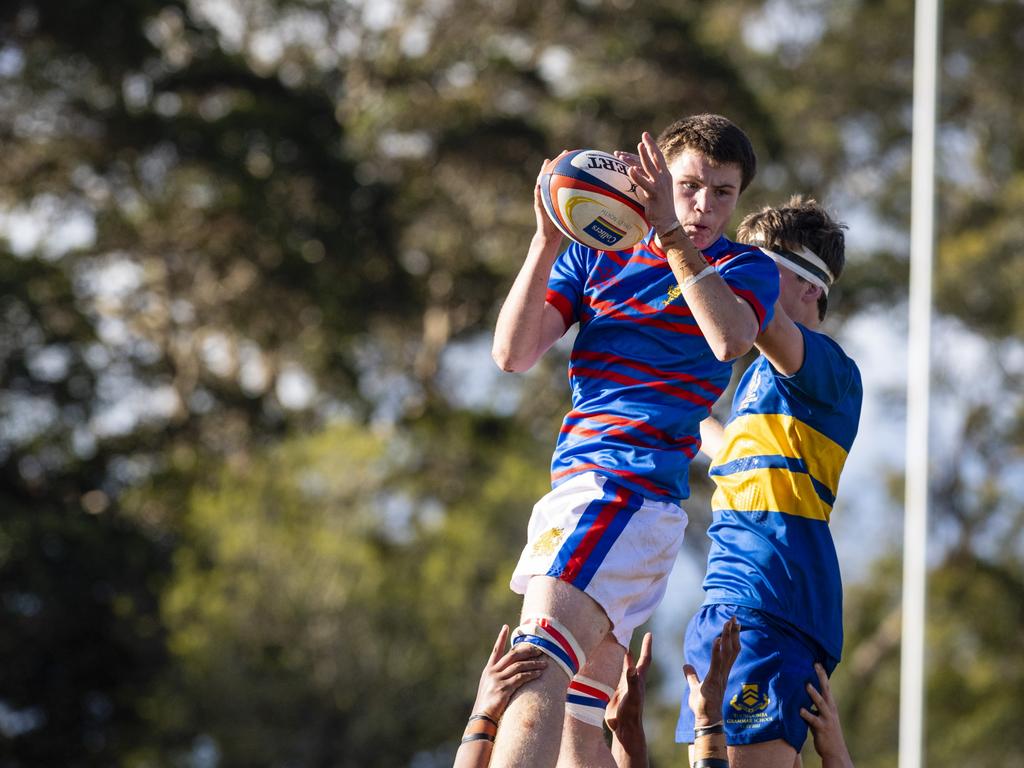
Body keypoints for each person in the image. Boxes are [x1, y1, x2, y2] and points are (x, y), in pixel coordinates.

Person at [489, 114, 780, 768]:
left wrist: (673, 234)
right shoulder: (598, 252)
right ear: (657, 177)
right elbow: (512, 353)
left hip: (621, 493)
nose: (704, 204)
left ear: (740, 198)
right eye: (689, 185)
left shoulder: (743, 268)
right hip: (594, 496)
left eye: (723, 192)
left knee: (532, 666)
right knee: (576, 720)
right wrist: (543, 239)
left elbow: (729, 340)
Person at [675, 196, 863, 767]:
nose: (742, 276)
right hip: (729, 598)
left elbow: (758, 319)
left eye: (760, 268)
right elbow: (723, 445)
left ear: (811, 287)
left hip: (772, 601)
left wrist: (673, 238)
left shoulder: (828, 371)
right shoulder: (761, 380)